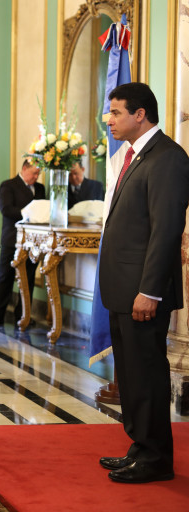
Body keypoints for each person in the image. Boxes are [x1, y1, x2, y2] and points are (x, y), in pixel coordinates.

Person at [98, 82, 189, 484]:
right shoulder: (134, 155)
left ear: (140, 114)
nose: (110, 120)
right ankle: (140, 448)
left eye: (116, 112)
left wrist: (149, 290)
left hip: (142, 291)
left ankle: (155, 459)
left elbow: (165, 231)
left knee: (147, 374)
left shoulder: (168, 157)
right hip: (123, 288)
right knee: (132, 375)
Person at [0, 159, 44, 326]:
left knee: (28, 278)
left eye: (38, 174)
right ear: (24, 168)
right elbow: (6, 209)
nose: (36, 177)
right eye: (34, 173)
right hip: (12, 239)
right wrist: (28, 214)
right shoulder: (8, 185)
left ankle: (23, 315)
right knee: (5, 277)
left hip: (33, 240)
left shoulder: (40, 188)